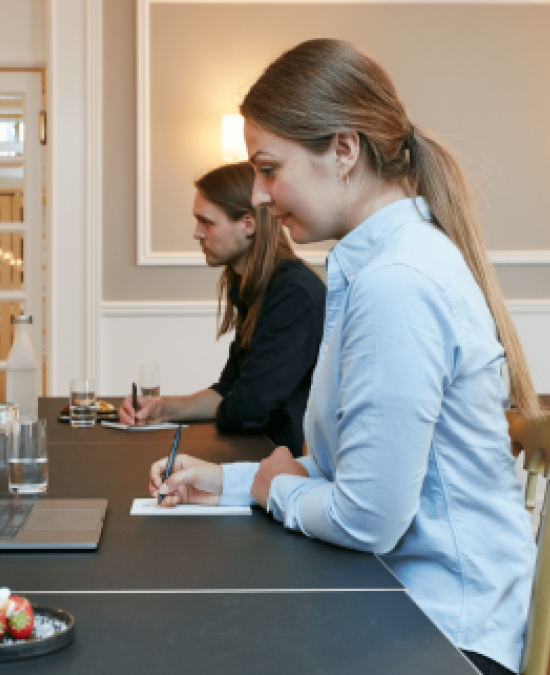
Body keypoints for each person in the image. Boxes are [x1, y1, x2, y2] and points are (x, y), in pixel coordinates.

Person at [149, 39, 544, 675]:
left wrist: (274, 489)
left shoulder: (397, 283)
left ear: (343, 150)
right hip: (403, 604)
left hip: (448, 634)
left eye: (269, 168)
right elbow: (354, 469)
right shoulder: (378, 267)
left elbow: (368, 518)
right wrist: (229, 484)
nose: (257, 194)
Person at [119, 162, 325, 457]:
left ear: (248, 225)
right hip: (254, 454)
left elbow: (246, 408)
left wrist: (229, 402)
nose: (196, 233)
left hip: (279, 466)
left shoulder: (292, 295)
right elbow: (229, 388)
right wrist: (162, 409)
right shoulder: (252, 286)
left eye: (207, 222)